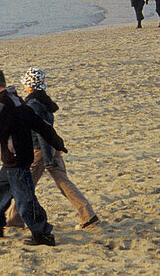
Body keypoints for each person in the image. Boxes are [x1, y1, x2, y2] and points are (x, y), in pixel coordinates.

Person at [0, 67, 66, 247]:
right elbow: (38, 123)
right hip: (13, 159)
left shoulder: (4, 103)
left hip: (17, 159)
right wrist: (56, 140)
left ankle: (42, 233)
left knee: (25, 199)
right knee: (0, 189)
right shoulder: (16, 99)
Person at [6, 68, 99, 231]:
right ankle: (88, 216)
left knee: (24, 186)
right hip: (51, 148)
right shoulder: (42, 100)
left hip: (41, 151)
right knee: (63, 182)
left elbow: (41, 132)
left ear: (30, 86)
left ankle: (14, 220)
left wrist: (47, 160)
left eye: (26, 84)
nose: (24, 86)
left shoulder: (34, 104)